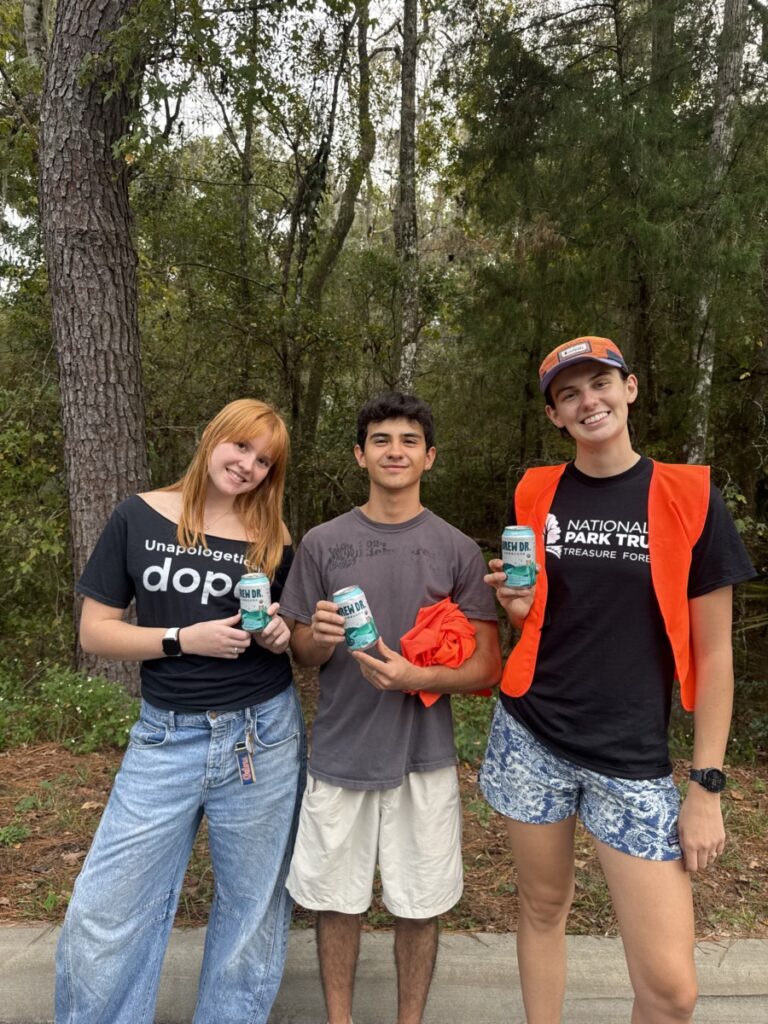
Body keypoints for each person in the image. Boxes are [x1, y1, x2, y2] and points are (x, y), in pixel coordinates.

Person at [480, 337, 757, 1024]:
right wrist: (516, 606)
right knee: (543, 906)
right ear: (555, 415)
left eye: (600, 383)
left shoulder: (690, 496)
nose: (588, 401)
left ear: (629, 388)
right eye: (568, 394)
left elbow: (715, 655)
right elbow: (538, 616)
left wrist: (707, 786)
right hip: (531, 734)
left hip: (631, 756)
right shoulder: (535, 491)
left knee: (671, 992)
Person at [55, 398, 305, 1024]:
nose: (248, 465)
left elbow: (291, 639)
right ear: (212, 437)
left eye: (264, 461)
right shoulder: (138, 515)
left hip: (261, 737)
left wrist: (279, 636)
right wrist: (180, 639)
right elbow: (95, 632)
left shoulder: (274, 539)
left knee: (251, 910)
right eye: (240, 446)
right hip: (165, 737)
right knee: (104, 908)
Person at [279, 391, 501, 1024]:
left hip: (422, 758)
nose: (394, 451)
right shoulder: (322, 543)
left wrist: (414, 676)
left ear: (430, 457)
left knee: (420, 906)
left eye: (409, 441)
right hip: (341, 751)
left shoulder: (456, 549)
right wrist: (318, 639)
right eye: (381, 440)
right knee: (335, 901)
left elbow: (487, 666)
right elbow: (300, 652)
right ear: (360, 455)